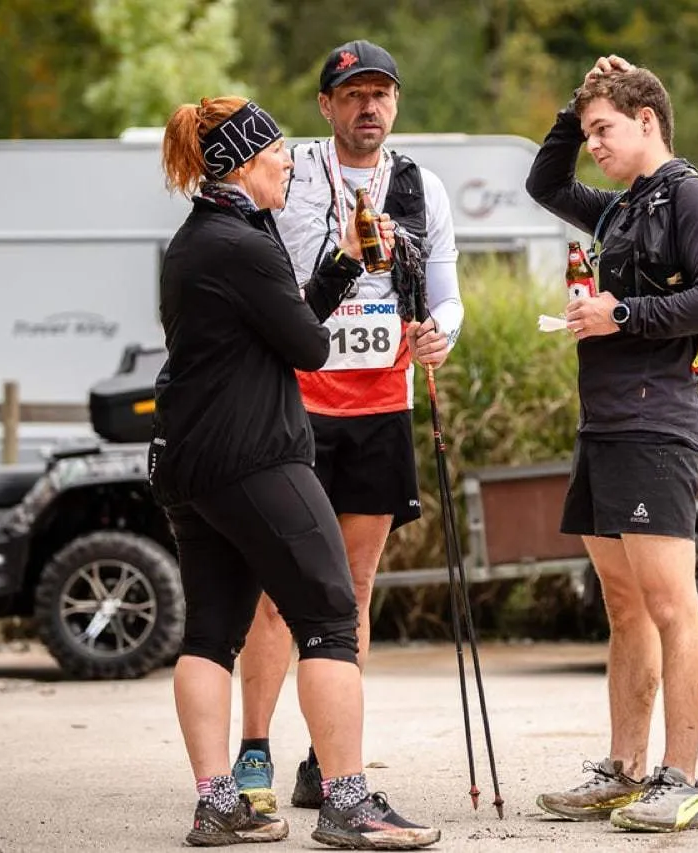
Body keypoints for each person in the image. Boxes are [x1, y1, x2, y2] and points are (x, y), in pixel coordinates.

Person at [152, 94, 440, 850]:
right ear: (244, 162)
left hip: (190, 463)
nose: (289, 159)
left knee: (211, 631)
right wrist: (347, 265)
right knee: (331, 615)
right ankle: (347, 801)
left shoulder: (196, 240)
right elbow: (312, 349)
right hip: (254, 456)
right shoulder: (244, 243)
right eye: (277, 149)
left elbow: (290, 329)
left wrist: (344, 257)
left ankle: (218, 803)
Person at [230, 39, 463, 815]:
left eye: (382, 93)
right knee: (274, 589)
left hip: (379, 409)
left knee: (352, 590)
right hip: (293, 407)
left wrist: (440, 333)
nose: (370, 106)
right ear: (326, 106)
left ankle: (328, 764)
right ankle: (253, 748)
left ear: (395, 104)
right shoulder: (290, 175)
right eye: (353, 94)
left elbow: (447, 295)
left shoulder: (420, 185)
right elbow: (252, 274)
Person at [524, 56, 698, 833]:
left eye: (604, 130)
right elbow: (544, 186)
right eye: (588, 133)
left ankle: (681, 778)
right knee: (624, 606)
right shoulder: (620, 208)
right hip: (604, 425)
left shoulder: (692, 195)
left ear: (648, 120)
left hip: (657, 424)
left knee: (669, 603)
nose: (593, 146)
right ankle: (623, 771)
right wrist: (573, 104)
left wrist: (620, 315)